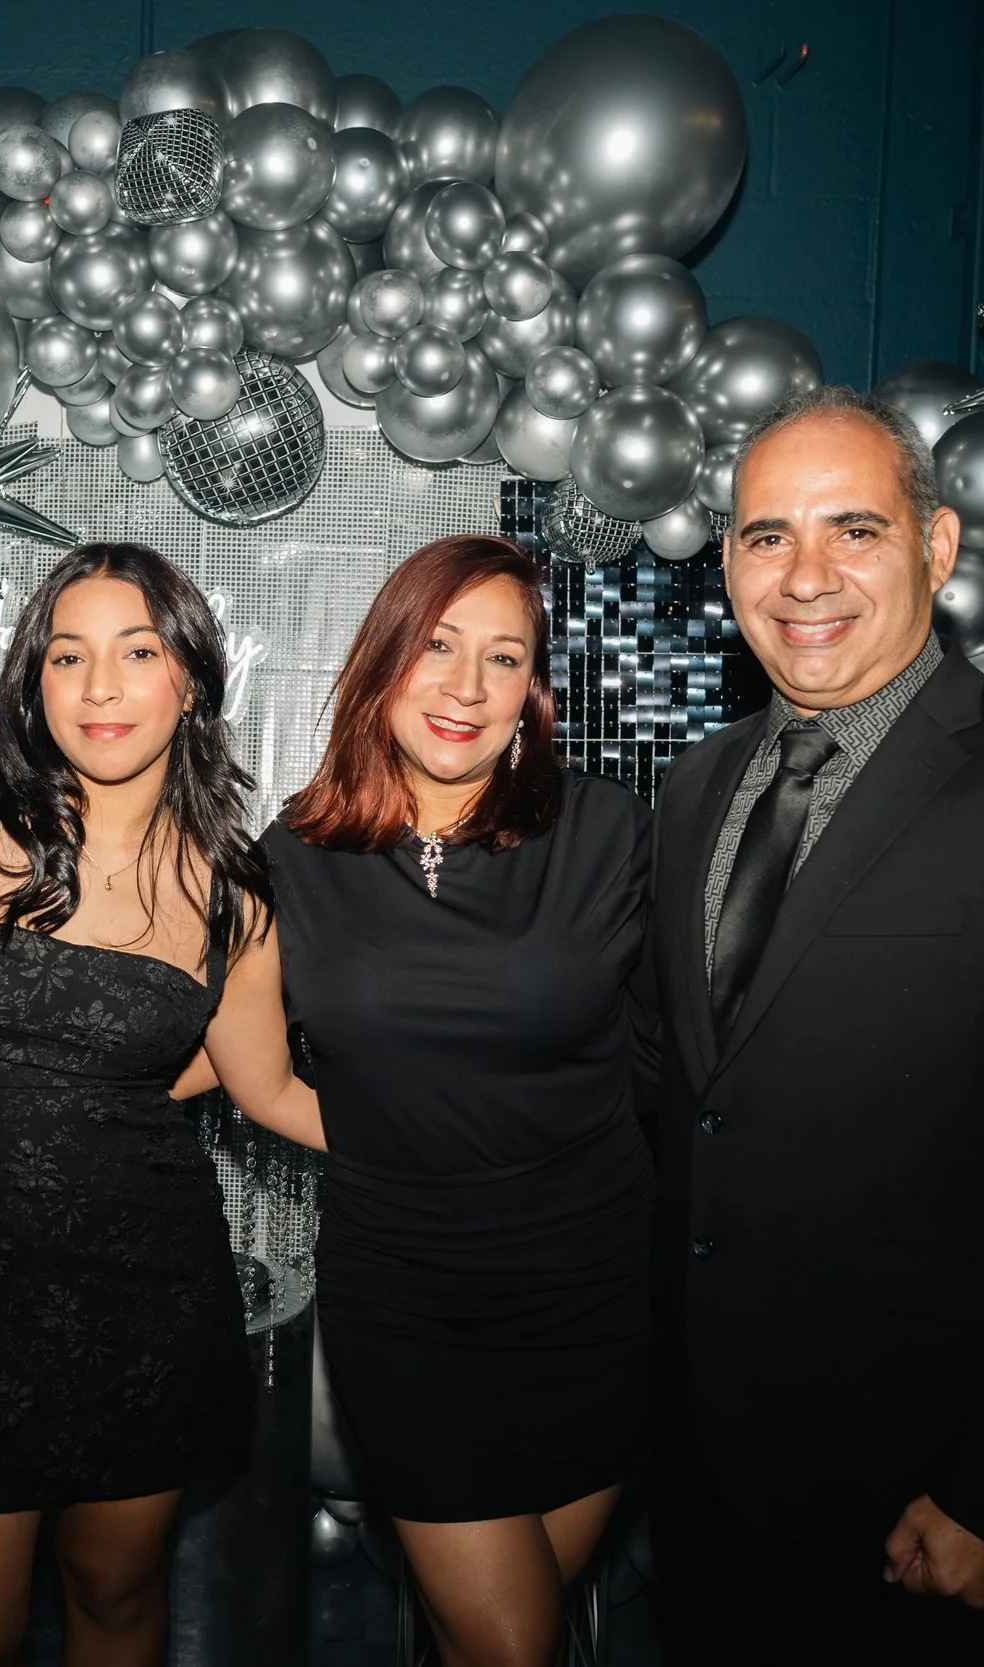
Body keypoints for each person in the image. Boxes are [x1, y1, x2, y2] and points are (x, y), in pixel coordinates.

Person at [646, 384, 984, 1655]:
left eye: (854, 529)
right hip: (702, 1463)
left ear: (937, 545)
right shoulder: (694, 787)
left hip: (920, 1482)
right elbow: (684, 1088)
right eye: (766, 535)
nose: (805, 576)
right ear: (726, 561)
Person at [200, 535, 657, 1667]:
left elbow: (674, 1054)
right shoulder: (292, 855)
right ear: (383, 662)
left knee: (495, 1632)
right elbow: (257, 1078)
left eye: (503, 658)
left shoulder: (608, 828)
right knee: (514, 1643)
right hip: (408, 1303)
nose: (466, 686)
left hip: (596, 1292)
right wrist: (398, 1144)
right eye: (438, 647)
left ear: (531, 690)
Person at [0, 542, 286, 1667]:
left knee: (116, 1596)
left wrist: (470, 1139)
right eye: (67, 655)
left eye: (137, 652)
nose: (100, 687)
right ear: (32, 680)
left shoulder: (231, 888)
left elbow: (265, 1083)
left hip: (149, 1303)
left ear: (190, 677)